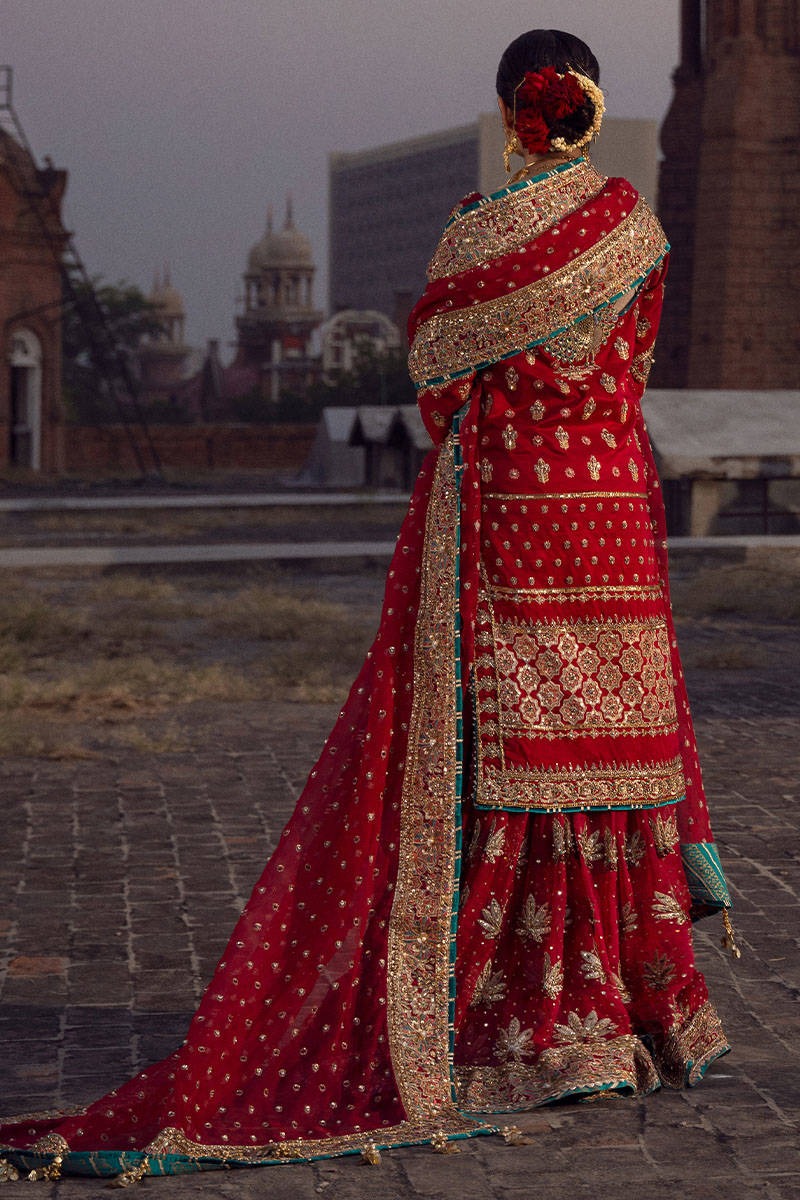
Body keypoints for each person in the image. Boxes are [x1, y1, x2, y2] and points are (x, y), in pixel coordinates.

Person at [0, 28, 735, 1184]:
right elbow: (631, 367)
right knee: (610, 744)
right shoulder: (635, 228)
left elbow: (437, 378)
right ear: (595, 108)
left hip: (512, 519)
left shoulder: (479, 233)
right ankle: (640, 1017)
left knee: (508, 751)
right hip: (614, 512)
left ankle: (526, 1024)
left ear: (515, 115)